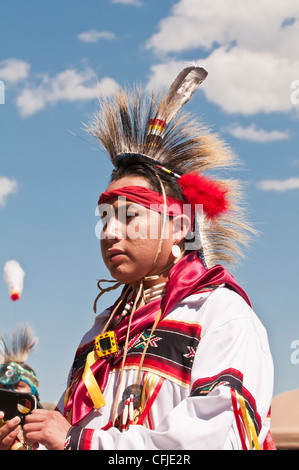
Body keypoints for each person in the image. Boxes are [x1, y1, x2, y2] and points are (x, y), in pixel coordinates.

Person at [23, 66, 275, 450]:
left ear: (178, 226)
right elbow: (70, 432)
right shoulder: (104, 330)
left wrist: (79, 442)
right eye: (104, 218)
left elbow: (208, 440)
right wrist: (31, 443)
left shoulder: (221, 316)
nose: (108, 232)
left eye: (128, 216)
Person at [0, 324, 40, 450]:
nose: (9, 390)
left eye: (18, 386)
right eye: (2, 386)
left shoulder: (48, 432)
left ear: (33, 392)